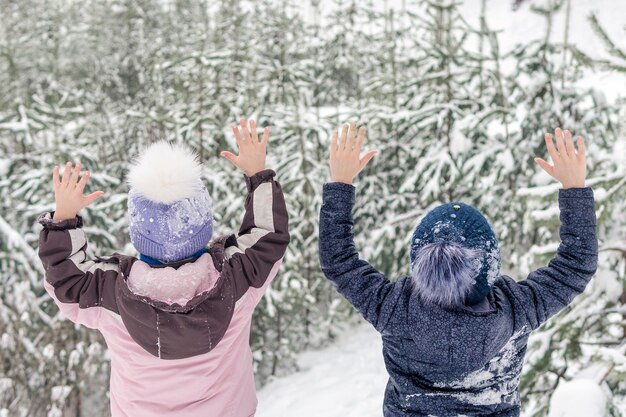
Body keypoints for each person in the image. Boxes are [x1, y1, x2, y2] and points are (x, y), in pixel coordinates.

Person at [318, 124, 597, 416]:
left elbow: (339, 261)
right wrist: (574, 189)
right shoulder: (518, 310)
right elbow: (577, 264)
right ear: (489, 263)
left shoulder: (395, 309)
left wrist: (340, 184)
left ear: (421, 263)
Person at [37, 119, 289, 417]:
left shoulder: (110, 293)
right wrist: (258, 176)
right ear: (201, 221)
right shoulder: (237, 279)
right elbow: (268, 236)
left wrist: (64, 219)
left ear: (139, 232)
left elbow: (65, 280)